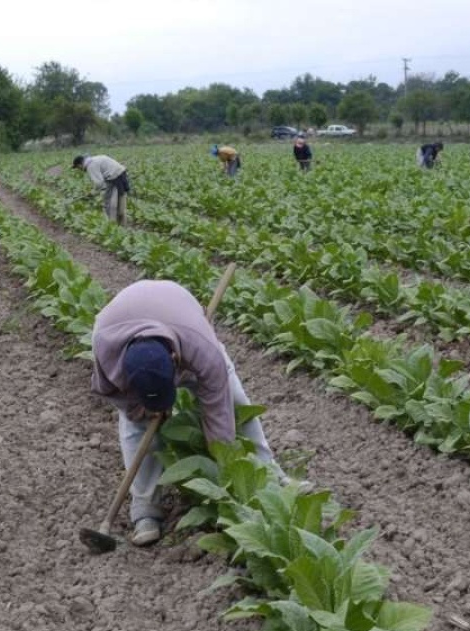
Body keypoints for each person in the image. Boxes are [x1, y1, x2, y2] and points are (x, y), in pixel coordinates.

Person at [90, 279, 309, 545]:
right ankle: (145, 509)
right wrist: (140, 409)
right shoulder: (106, 348)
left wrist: (226, 469)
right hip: (124, 323)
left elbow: (218, 411)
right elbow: (112, 393)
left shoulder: (200, 346)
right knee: (135, 426)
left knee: (236, 401)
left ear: (175, 361)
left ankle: (270, 475)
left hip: (179, 313)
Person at [72, 154, 130, 226]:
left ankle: (112, 226)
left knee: (109, 205)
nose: (79, 169)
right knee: (121, 202)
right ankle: (123, 225)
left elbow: (99, 183)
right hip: (122, 174)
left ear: (80, 165)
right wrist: (96, 191)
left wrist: (92, 193)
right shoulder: (95, 159)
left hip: (113, 178)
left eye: (78, 168)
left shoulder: (90, 166)